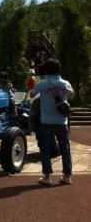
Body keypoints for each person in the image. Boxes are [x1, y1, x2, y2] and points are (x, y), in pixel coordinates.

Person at [30, 58, 73, 186]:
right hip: (62, 121)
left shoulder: (43, 83)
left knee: (46, 149)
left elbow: (32, 95)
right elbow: (72, 93)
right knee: (65, 149)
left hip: (46, 121)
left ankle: (47, 177)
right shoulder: (66, 83)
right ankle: (66, 176)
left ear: (47, 70)